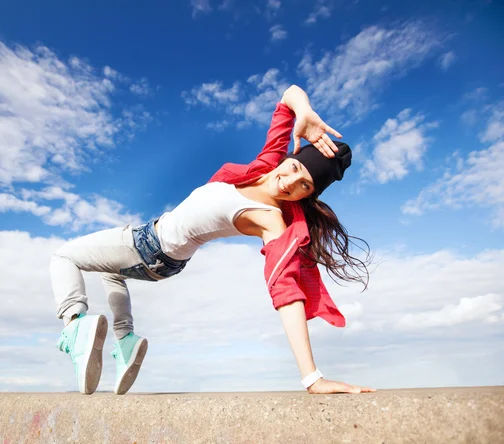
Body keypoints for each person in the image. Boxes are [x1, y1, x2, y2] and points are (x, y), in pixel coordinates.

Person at [50, 84, 375, 396]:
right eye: (292, 169)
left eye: (303, 185)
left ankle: (74, 327)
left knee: (63, 257)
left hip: (148, 246)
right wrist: (303, 110)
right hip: (162, 259)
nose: (288, 182)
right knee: (110, 271)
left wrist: (312, 377)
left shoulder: (270, 219)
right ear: (288, 159)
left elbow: (285, 289)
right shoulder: (263, 167)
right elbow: (287, 98)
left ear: (308, 196)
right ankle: (125, 340)